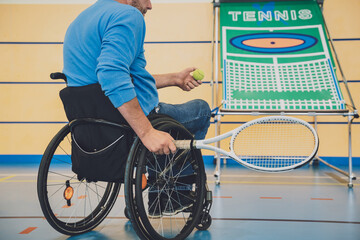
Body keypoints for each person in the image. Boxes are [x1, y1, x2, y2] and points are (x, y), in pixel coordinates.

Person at [62, 0, 211, 218]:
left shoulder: (81, 20)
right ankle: (171, 193)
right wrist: (147, 132)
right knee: (201, 110)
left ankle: (155, 184)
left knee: (166, 116)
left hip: (95, 124)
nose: (149, 6)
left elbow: (119, 78)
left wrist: (174, 78)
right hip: (132, 122)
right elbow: (112, 73)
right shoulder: (128, 15)